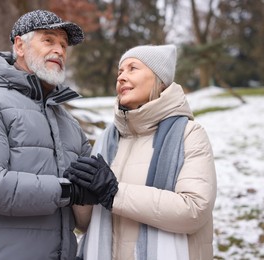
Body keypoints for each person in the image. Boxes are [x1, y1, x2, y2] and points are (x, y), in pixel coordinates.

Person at [0, 10, 99, 259]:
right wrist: (67, 191)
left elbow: (86, 201)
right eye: (49, 40)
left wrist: (99, 186)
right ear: (20, 45)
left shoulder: (69, 124)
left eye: (63, 45)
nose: (60, 50)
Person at [65, 44, 217, 260]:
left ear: (159, 79)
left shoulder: (188, 134)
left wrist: (114, 192)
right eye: (120, 72)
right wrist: (82, 195)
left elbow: (194, 211)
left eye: (132, 68)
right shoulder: (107, 139)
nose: (121, 77)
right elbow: (86, 225)